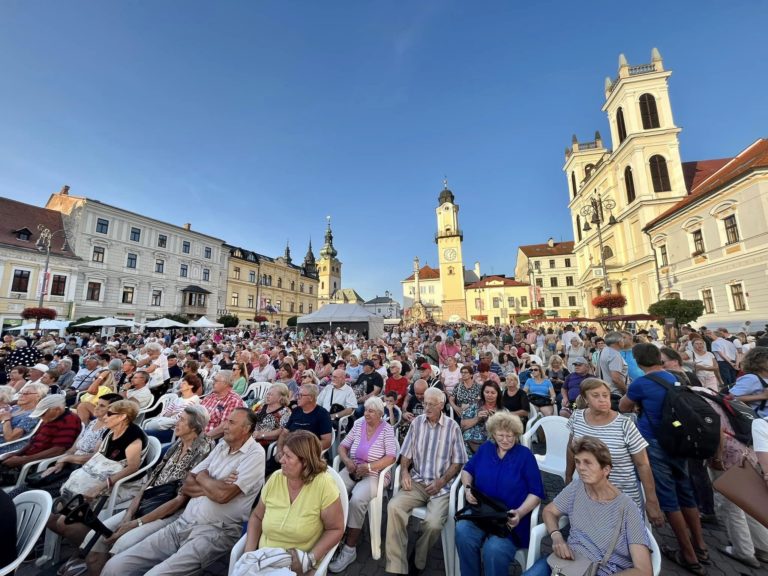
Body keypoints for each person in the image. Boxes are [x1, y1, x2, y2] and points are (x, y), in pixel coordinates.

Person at [101, 407, 265, 576]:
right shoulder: (222, 445)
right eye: (226, 421)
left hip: (214, 531)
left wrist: (202, 477)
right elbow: (187, 484)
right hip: (183, 522)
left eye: (231, 422)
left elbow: (222, 496)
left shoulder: (255, 455)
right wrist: (213, 483)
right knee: (114, 567)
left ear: (245, 429)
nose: (224, 426)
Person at [82, 406, 214, 576]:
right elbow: (149, 483)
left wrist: (136, 523)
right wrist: (129, 514)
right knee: (94, 539)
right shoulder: (178, 444)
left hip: (169, 512)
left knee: (120, 545)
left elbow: (180, 499)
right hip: (148, 502)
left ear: (194, 427)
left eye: (181, 420)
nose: (176, 422)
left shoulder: (203, 449)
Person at [620, 343, 708, 575]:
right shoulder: (676, 377)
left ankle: (688, 555)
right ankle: (701, 546)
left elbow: (623, 406)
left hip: (655, 441)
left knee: (668, 496)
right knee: (685, 491)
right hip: (680, 439)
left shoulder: (641, 383)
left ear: (638, 362)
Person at [522, 436, 652, 576]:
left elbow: (644, 571)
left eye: (588, 463)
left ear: (606, 469)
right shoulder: (577, 487)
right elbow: (549, 511)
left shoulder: (628, 508)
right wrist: (556, 536)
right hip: (566, 563)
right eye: (577, 462)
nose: (580, 468)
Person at [386, 387, 467, 575]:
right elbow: (406, 454)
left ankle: (418, 558)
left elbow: (458, 462)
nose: (427, 407)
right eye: (425, 403)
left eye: (432, 404)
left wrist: (442, 481)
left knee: (433, 524)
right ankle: (397, 566)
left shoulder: (452, 427)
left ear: (441, 405)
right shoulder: (417, 423)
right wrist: (404, 471)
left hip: (441, 487)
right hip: (417, 481)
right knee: (393, 507)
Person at [238, 430, 343, 575]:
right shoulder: (276, 478)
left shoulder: (324, 485)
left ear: (305, 462)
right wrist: (248, 554)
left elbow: (335, 529)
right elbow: (257, 516)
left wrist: (309, 560)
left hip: (300, 564)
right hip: (264, 559)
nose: (281, 460)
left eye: (288, 456)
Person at [48, 399, 147, 545]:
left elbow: (132, 467)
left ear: (122, 417)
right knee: (51, 517)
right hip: (101, 475)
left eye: (109, 414)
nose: (104, 416)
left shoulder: (134, 437)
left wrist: (101, 486)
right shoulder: (109, 431)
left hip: (124, 484)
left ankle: (88, 550)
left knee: (64, 522)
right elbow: (97, 456)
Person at [456, 412, 545, 576]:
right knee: (462, 531)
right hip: (482, 512)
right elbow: (467, 470)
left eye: (509, 436)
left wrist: (520, 513)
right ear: (493, 434)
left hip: (510, 519)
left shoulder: (525, 456)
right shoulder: (486, 448)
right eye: (500, 435)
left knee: (494, 550)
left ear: (516, 435)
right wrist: (468, 489)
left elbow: (536, 493)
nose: (505, 440)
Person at [565, 378, 663, 525]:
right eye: (595, 395)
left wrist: (651, 501)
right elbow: (571, 449)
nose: (602, 399)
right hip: (589, 493)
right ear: (585, 399)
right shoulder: (577, 417)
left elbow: (643, 464)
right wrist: (568, 477)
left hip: (623, 495)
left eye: (605, 395)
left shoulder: (625, 425)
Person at [692, 386, 768, 568]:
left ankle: (743, 551)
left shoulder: (695, 400)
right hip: (748, 452)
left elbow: (717, 429)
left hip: (729, 455)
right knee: (750, 501)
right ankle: (763, 547)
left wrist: (717, 457)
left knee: (730, 503)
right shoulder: (717, 396)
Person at [7, 393, 121, 499]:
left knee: (36, 492)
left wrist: (66, 459)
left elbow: (94, 457)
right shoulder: (93, 423)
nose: (96, 408)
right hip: (67, 465)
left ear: (113, 410)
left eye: (102, 406)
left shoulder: (110, 430)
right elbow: (73, 449)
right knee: (29, 485)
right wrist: (60, 463)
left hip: (83, 470)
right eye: (97, 404)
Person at [330, 397, 398, 572]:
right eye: (366, 410)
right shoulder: (359, 423)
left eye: (371, 411)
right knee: (332, 492)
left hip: (375, 474)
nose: (366, 413)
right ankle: (333, 537)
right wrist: (347, 461)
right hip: (353, 468)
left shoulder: (387, 429)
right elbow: (342, 446)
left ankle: (349, 549)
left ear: (380, 414)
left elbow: (391, 457)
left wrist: (369, 467)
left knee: (357, 500)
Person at [0, 394, 80, 483]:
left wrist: (23, 460)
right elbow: (34, 441)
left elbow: (58, 450)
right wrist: (17, 453)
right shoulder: (50, 418)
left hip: (35, 464)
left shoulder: (69, 421)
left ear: (57, 410)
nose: (40, 417)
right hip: (27, 458)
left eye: (43, 414)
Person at [266, 383, 333, 476]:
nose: (297, 397)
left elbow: (327, 441)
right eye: (298, 395)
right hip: (288, 452)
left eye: (301, 395)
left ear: (311, 398)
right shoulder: (296, 411)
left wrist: (304, 451)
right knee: (266, 471)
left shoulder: (322, 414)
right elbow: (284, 433)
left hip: (306, 456)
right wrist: (279, 450)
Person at [144, 373, 203, 441]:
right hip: (164, 427)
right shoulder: (179, 399)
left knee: (143, 434)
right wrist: (172, 415)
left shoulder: (193, 400)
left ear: (191, 386)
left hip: (174, 433)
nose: (181, 384)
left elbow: (178, 419)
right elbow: (165, 412)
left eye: (184, 383)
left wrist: (171, 415)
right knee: (143, 432)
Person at [461, 381, 506, 454]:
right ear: (483, 393)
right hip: (470, 442)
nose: (489, 395)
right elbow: (463, 425)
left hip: (493, 442)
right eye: (487, 392)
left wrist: (496, 420)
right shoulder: (474, 406)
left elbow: (508, 431)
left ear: (498, 394)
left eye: (493, 393)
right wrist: (477, 418)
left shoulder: (503, 410)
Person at [0, 382, 46, 453]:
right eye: (20, 393)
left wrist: (6, 420)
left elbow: (10, 438)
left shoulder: (32, 415)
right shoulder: (15, 408)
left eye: (26, 393)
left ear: (38, 396)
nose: (21, 396)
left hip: (7, 446)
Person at [200, 369, 244, 439]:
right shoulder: (211, 396)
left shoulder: (233, 400)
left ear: (226, 384)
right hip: (195, 431)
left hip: (210, 438)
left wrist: (204, 439)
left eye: (216, 381)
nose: (213, 383)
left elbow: (224, 426)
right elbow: (197, 414)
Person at [730, 347, 768, 419]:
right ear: (760, 362)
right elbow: (732, 398)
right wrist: (762, 396)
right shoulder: (751, 378)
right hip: (762, 419)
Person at [252, 382, 292, 448]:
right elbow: (251, 416)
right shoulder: (262, 405)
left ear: (280, 398)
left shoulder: (285, 412)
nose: (267, 396)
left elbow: (282, 431)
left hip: (265, 444)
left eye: (271, 395)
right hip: (251, 437)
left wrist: (262, 435)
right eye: (268, 394)